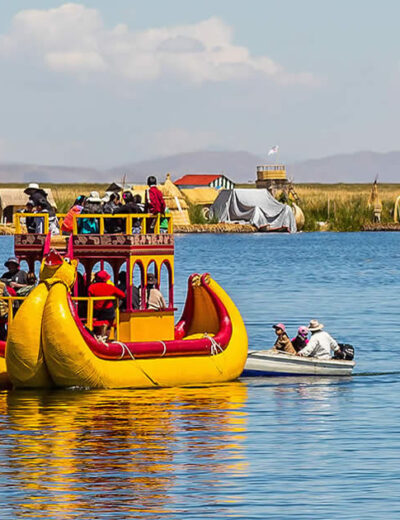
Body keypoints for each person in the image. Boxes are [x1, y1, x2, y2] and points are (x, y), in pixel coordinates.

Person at [88, 270, 125, 338]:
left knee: (95, 321)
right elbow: (122, 295)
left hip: (96, 311)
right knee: (110, 323)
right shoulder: (110, 287)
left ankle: (96, 336)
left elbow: (89, 296)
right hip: (108, 312)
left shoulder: (91, 287)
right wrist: (114, 297)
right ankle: (108, 337)